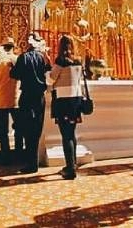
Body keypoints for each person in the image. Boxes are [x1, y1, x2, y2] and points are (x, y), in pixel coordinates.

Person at [10, 32, 51, 174]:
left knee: (26, 129)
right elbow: (48, 72)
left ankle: (30, 162)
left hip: (27, 95)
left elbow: (14, 75)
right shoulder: (42, 58)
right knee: (36, 129)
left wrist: (11, 65)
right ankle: (34, 162)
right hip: (39, 96)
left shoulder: (23, 58)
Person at [49, 35, 84, 180]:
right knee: (72, 132)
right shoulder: (78, 61)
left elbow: (51, 78)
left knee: (66, 135)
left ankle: (70, 168)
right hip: (75, 99)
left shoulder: (60, 61)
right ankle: (73, 163)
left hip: (63, 100)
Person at [0, 37, 23, 165]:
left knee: (2, 130)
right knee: (19, 127)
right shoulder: (17, 59)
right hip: (15, 99)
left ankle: (5, 155)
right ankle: (19, 152)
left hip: (1, 99)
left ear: (2, 47)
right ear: (13, 47)